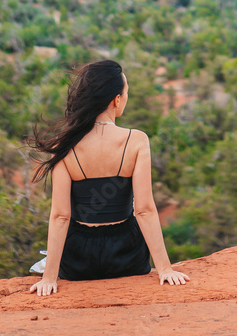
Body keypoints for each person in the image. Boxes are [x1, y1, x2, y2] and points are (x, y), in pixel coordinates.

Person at [28, 58, 190, 295]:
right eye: (126, 93)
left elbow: (61, 216)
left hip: (78, 262)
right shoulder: (137, 141)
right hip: (126, 257)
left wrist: (49, 278)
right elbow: (144, 210)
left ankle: (45, 264)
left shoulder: (65, 144)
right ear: (116, 100)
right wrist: (165, 269)